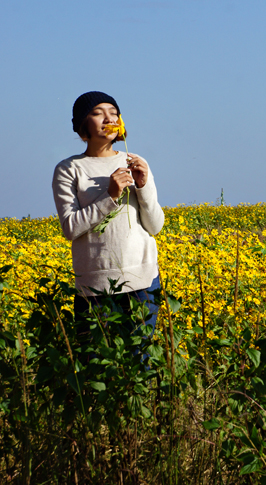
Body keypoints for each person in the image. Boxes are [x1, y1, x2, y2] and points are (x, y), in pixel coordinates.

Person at [52, 91, 164, 346]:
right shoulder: (69, 169)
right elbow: (70, 228)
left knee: (141, 363)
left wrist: (143, 186)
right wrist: (110, 195)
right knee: (95, 366)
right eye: (98, 113)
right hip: (95, 285)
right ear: (82, 126)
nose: (109, 118)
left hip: (143, 282)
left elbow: (155, 226)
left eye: (114, 113)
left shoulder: (135, 161)